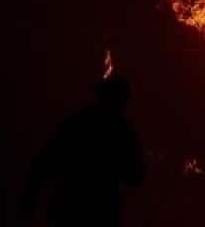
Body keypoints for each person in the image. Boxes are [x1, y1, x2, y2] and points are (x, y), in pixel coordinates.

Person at [21, 74, 144, 226]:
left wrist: (30, 196)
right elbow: (135, 176)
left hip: (71, 206)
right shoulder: (123, 133)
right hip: (99, 211)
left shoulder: (78, 123)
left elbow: (45, 160)